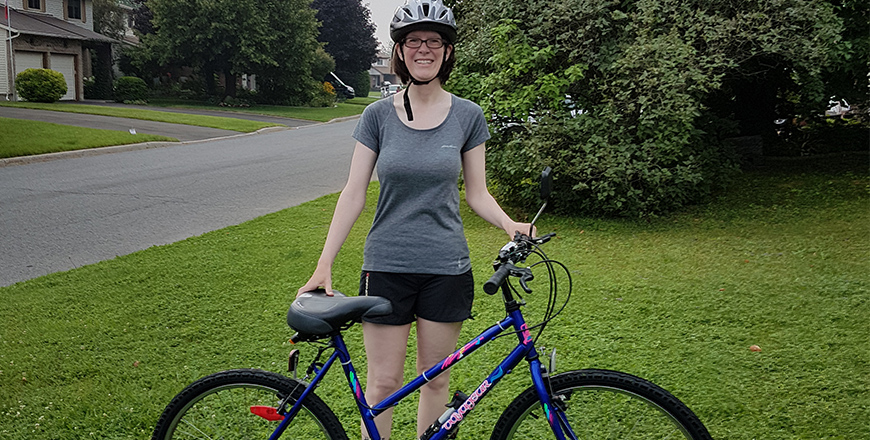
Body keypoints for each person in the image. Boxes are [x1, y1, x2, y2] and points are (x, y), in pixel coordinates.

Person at [297, 0, 533, 437]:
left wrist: (509, 224)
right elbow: (354, 192)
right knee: (383, 383)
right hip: (386, 266)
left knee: (435, 378)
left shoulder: (468, 115)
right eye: (413, 41)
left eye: (433, 41)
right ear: (400, 52)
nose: (424, 49)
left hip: (446, 268)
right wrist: (324, 262)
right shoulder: (377, 116)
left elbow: (477, 193)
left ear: (447, 51)